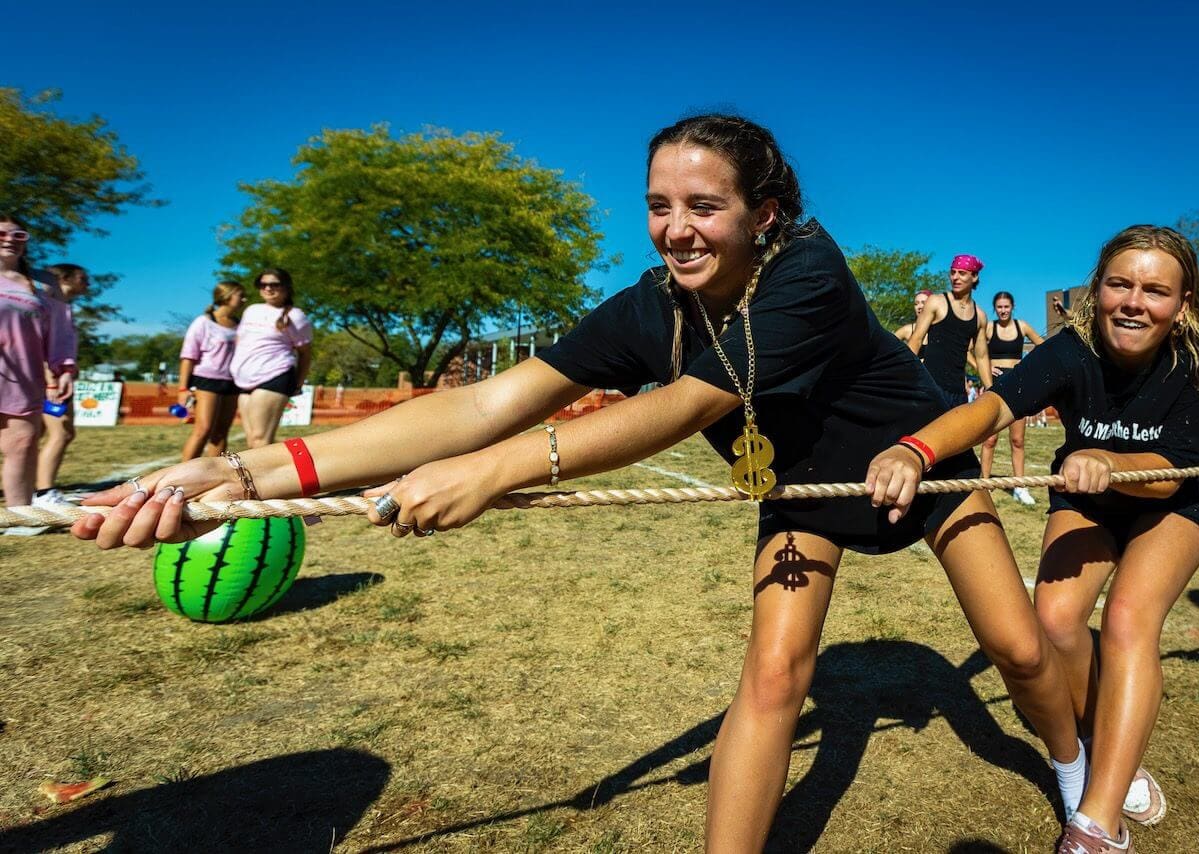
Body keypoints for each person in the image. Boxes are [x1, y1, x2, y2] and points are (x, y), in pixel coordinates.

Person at [72, 115, 1083, 850]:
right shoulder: (645, 308)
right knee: (773, 674)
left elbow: (685, 406)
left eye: (703, 206)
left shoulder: (806, 269)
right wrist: (245, 467)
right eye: (657, 205)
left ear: (763, 212)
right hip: (800, 487)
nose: (675, 228)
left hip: (918, 451)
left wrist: (500, 469)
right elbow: (484, 404)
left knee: (1013, 647)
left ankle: (1076, 770)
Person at [865, 224, 1199, 853]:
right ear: (1097, 290)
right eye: (1119, 284)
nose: (1133, 302)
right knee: (1057, 621)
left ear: (1185, 304)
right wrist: (917, 447)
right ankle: (1108, 742)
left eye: (1155, 290)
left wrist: (1114, 463)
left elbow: (1169, 478)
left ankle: (1099, 820)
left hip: (1178, 496)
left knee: (1126, 621)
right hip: (1090, 491)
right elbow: (993, 408)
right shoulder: (1070, 351)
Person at [0, 216, 76, 534]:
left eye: (18, 234)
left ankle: (19, 518)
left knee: (23, 441)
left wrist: (64, 367)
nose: (9, 239)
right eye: (1, 233)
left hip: (22, 376)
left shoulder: (43, 284)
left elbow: (60, 330)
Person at [230, 269, 312, 448]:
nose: (268, 288)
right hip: (245, 381)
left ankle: (267, 476)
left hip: (275, 375)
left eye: (274, 284)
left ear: (286, 287)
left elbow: (305, 353)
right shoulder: (251, 310)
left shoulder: (295, 316)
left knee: (261, 439)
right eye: (263, 284)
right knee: (252, 440)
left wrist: (297, 384)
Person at [33, 263, 90, 508]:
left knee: (41, 435)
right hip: (50, 379)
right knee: (61, 432)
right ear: (64, 278)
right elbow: (40, 343)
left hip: (58, 377)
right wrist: (50, 380)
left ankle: (34, 489)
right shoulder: (48, 305)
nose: (87, 283)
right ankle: (44, 493)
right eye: (83, 278)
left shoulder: (63, 307)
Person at [981, 291, 1045, 506]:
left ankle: (1020, 487)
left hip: (1017, 384)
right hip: (995, 385)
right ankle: (983, 485)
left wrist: (1027, 368)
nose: (1003, 310)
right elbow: (973, 349)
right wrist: (986, 365)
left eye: (1006, 306)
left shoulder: (1022, 326)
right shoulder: (989, 328)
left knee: (1017, 440)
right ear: (995, 308)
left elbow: (1043, 346)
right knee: (990, 439)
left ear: (1012, 307)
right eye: (999, 307)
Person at [908, 254, 993, 407]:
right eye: (953, 272)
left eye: (962, 273)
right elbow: (916, 339)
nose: (955, 277)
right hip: (931, 387)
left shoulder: (980, 316)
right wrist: (905, 374)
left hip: (958, 393)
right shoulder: (936, 302)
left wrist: (991, 389)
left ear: (974, 277)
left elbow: (981, 356)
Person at [178, 281, 246, 460]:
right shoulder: (203, 322)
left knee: (221, 433)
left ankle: (214, 476)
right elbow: (188, 356)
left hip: (232, 383)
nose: (244, 299)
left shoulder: (241, 325)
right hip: (207, 380)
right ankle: (183, 476)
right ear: (227, 296)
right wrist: (183, 389)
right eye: (240, 295)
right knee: (203, 429)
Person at [892, 288, 931, 361]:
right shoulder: (907, 330)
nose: (919, 307)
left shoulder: (940, 330)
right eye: (916, 304)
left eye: (923, 303)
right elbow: (887, 346)